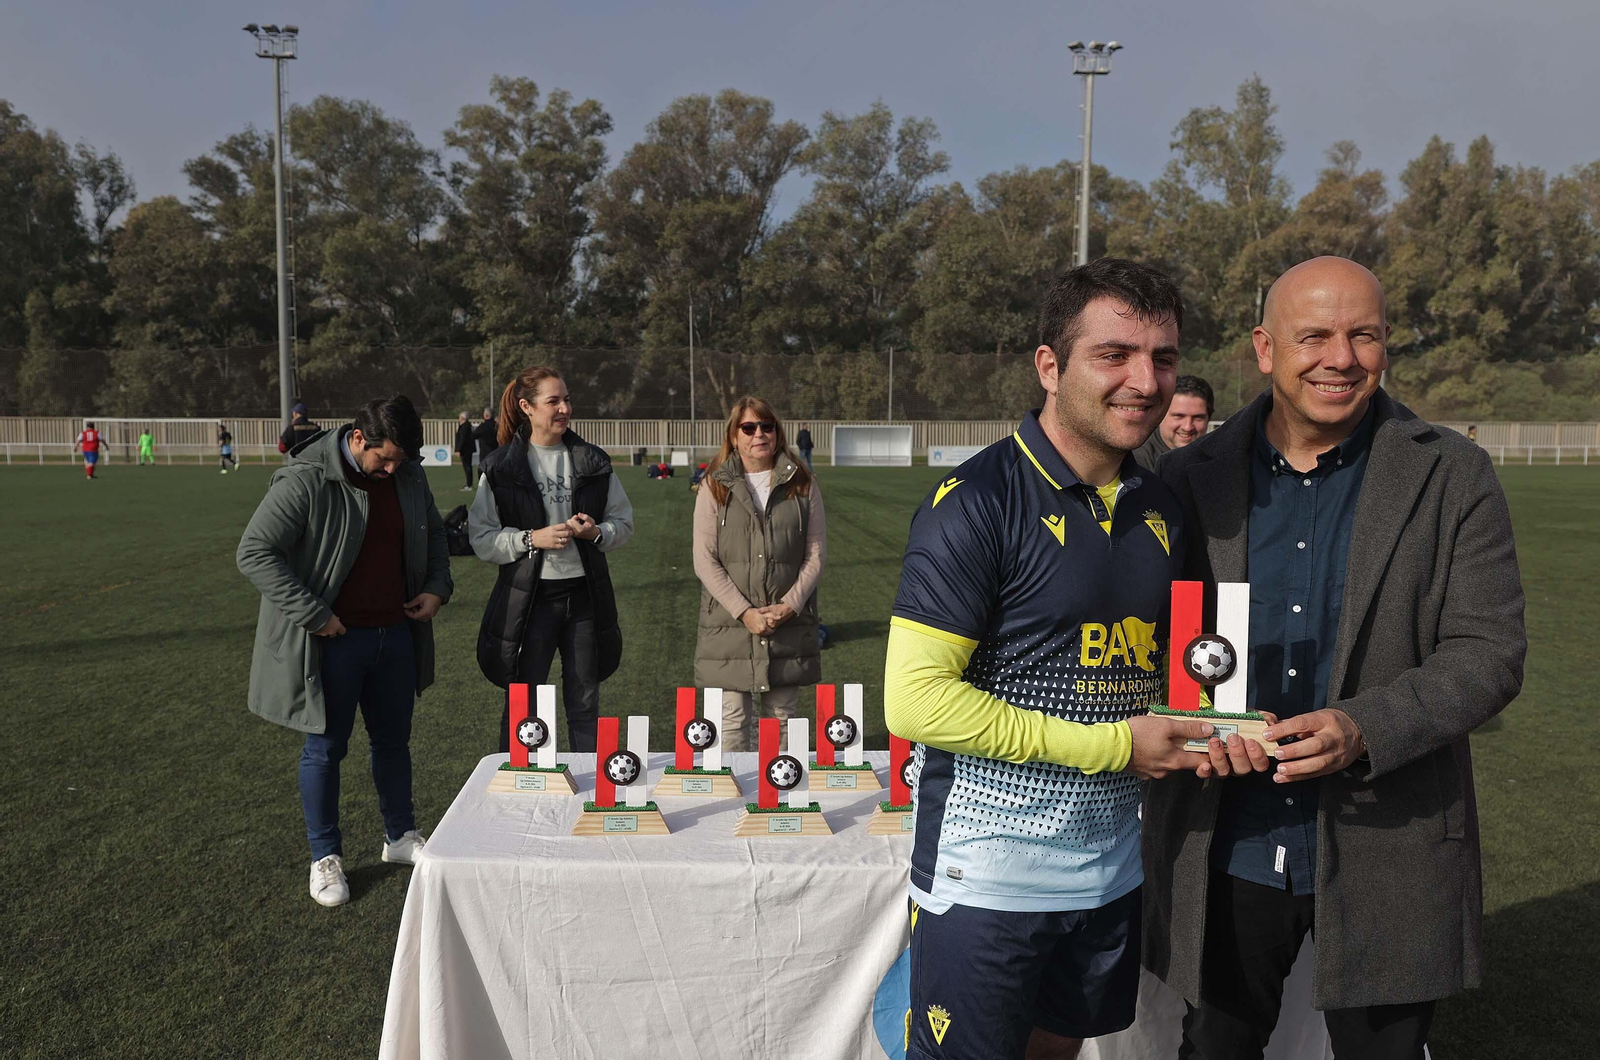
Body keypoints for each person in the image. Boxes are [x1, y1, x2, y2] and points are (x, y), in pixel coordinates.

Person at [1143, 257, 1526, 1060]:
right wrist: (1182, 723)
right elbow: (1148, 636)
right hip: (1228, 839)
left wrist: (1362, 728)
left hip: (1392, 840)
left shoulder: (1451, 472)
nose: (1341, 358)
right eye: (1314, 336)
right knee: (1213, 1048)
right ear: (1265, 349)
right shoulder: (1187, 478)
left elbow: (1489, 651)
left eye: (1365, 336)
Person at [885, 258, 1215, 1060]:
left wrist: (1221, 726)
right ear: (1049, 366)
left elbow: (1178, 673)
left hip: (1110, 870)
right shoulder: (978, 501)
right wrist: (1113, 747)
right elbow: (916, 701)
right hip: (987, 877)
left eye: (1163, 358)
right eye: (1114, 355)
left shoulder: (1164, 508)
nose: (1145, 381)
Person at [236, 394, 453, 908]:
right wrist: (314, 613)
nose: (394, 469)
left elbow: (436, 537)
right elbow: (254, 552)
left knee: (393, 743)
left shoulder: (409, 474)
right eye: (385, 458)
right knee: (326, 749)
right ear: (358, 438)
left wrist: (437, 587)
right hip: (331, 641)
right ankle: (325, 857)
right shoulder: (306, 478)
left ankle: (400, 836)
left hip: (395, 634)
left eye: (402, 460)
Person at [470, 366, 634, 753]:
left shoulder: (593, 461)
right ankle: (518, 783)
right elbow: (482, 538)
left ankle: (590, 784)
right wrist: (532, 538)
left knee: (584, 705)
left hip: (584, 598)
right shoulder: (500, 466)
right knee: (523, 706)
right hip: (530, 601)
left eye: (567, 400)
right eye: (553, 401)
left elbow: (623, 523)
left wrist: (595, 532)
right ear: (526, 407)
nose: (564, 408)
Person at [692, 397, 826, 751]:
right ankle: (732, 787)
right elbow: (704, 559)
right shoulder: (713, 486)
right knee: (731, 721)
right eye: (749, 428)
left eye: (766, 426)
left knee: (782, 720)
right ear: (734, 436)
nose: (759, 435)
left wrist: (789, 606)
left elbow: (815, 554)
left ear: (777, 433)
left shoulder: (803, 484)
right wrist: (745, 612)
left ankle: (780, 788)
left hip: (788, 623)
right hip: (729, 624)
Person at [1133, 374, 1213, 471]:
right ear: (1160, 414)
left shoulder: (1217, 457)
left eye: (1198, 418)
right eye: (1179, 416)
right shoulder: (1136, 460)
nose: (1187, 427)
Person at [454, 411, 476, 491]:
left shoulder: (465, 427)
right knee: (467, 466)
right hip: (467, 449)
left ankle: (469, 484)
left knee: (467, 466)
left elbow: (462, 439)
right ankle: (468, 483)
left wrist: (459, 449)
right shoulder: (465, 426)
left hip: (466, 450)